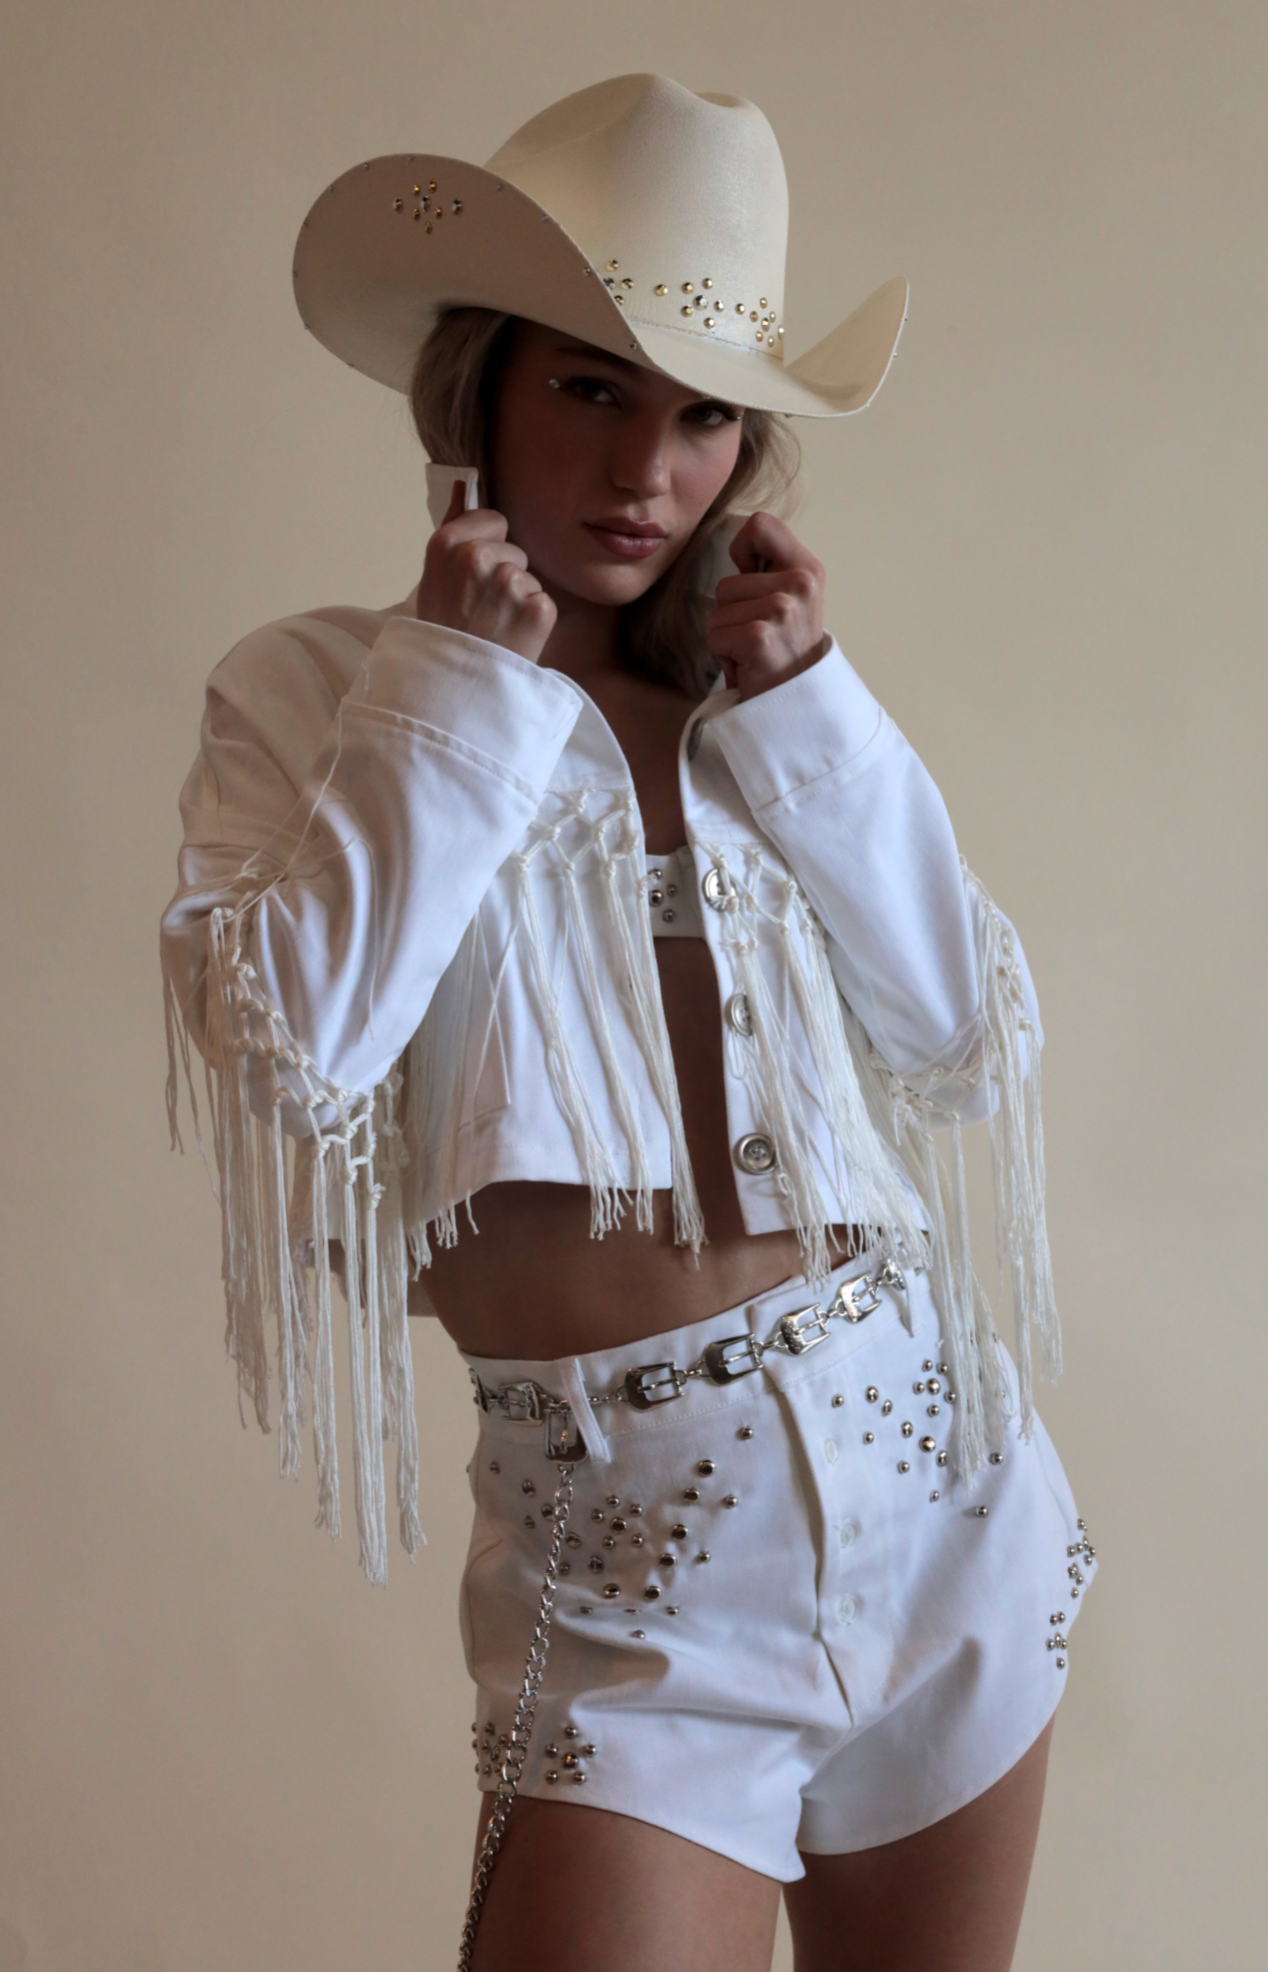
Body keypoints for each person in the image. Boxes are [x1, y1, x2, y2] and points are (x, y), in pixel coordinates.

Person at [161, 73, 1096, 1972]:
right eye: (591, 387)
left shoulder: (770, 714)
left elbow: (956, 1037)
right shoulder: (324, 689)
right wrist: (453, 692)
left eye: (700, 415)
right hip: (637, 1559)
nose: (646, 470)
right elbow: (294, 1046)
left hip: (942, 1493)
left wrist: (819, 707)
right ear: (479, 388)